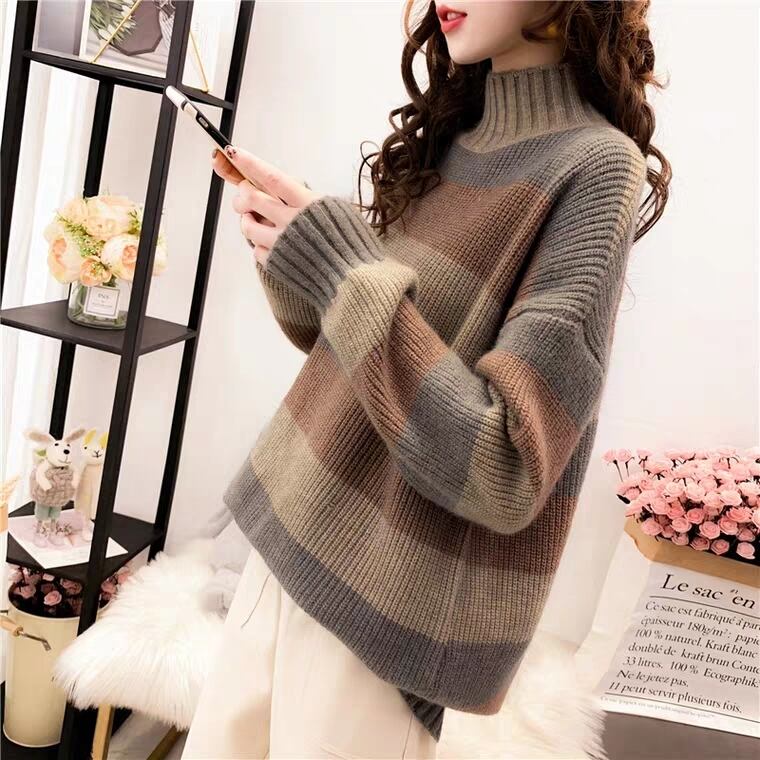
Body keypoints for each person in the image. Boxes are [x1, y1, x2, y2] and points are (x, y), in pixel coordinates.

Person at [182, 1, 670, 758]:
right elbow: (359, 360)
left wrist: (344, 267)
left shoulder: (595, 166)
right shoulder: (457, 131)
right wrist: (299, 251)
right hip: (284, 544)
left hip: (380, 615)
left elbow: (505, 467)